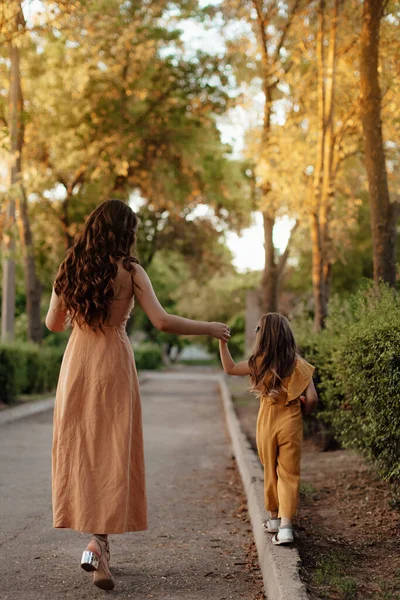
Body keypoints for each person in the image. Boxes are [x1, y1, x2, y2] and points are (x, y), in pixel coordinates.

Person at [45, 199, 231, 590]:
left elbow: (54, 324)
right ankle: (99, 543)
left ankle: (99, 547)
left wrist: (76, 303)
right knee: (112, 450)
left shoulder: (70, 267)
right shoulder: (130, 271)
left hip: (78, 364)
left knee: (82, 449)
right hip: (112, 362)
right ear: (125, 233)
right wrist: (209, 328)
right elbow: (162, 321)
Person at [218, 312, 318, 545]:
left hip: (267, 420)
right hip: (290, 419)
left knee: (270, 469)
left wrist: (223, 343)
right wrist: (304, 411)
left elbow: (230, 368)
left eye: (257, 330)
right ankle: (285, 527)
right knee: (289, 473)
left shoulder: (259, 363)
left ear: (264, 337)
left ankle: (273, 517)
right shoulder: (299, 365)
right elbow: (312, 398)